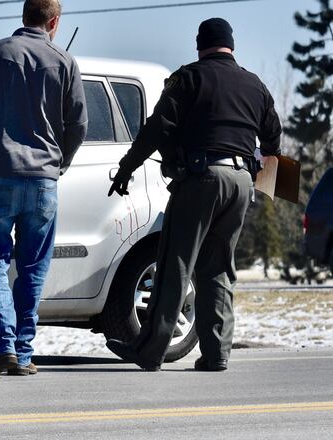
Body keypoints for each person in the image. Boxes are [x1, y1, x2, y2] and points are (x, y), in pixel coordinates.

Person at [106, 18, 282, 372]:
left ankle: (151, 350)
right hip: (241, 182)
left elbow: (157, 128)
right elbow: (274, 142)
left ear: (200, 44)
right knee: (218, 269)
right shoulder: (255, 85)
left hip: (202, 178)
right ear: (231, 45)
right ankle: (217, 354)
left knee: (176, 263)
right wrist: (262, 185)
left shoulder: (189, 77)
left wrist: (126, 168)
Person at [0, 0, 88, 376]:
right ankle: (24, 351)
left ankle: (1, 349)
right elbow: (78, 125)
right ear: (54, 21)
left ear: (23, 16)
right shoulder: (65, 61)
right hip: (43, 181)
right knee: (33, 266)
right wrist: (57, 164)